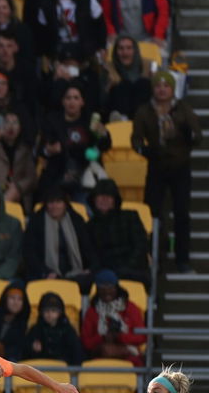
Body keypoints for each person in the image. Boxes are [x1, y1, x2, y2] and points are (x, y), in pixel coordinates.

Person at [133, 70, 201, 273]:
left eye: (166, 86)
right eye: (158, 86)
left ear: (172, 89)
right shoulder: (144, 111)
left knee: (181, 213)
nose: (162, 90)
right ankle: (155, 257)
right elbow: (135, 139)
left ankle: (182, 259)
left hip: (180, 167)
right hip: (156, 166)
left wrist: (184, 133)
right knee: (153, 214)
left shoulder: (183, 109)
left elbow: (198, 136)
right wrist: (147, 151)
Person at [39, 84, 110, 202]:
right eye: (68, 98)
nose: (72, 101)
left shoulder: (90, 121)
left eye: (76, 98)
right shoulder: (52, 120)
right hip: (59, 171)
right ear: (63, 102)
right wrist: (49, 150)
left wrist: (103, 134)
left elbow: (105, 145)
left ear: (82, 102)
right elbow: (42, 149)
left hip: (84, 171)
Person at [23, 188, 97, 290]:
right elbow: (30, 253)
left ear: (65, 204)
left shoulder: (76, 220)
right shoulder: (36, 222)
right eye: (51, 202)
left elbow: (88, 248)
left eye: (58, 202)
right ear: (46, 205)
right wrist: (45, 272)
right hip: (46, 274)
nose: (55, 206)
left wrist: (90, 269)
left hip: (76, 273)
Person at [38, 0, 105, 61]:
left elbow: (100, 25)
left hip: (84, 53)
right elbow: (43, 33)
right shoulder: (46, 4)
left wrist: (102, 48)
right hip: (57, 55)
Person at [87, 179, 149, 284]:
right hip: (103, 272)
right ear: (93, 200)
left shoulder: (130, 217)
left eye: (108, 196)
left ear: (115, 200)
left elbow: (141, 245)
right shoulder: (90, 226)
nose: (104, 199)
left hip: (132, 270)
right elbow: (91, 254)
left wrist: (128, 267)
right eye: (100, 196)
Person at [81, 269, 146, 365]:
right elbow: (86, 341)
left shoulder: (130, 308)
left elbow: (142, 337)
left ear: (117, 288)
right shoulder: (92, 311)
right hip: (100, 353)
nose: (107, 292)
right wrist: (103, 337)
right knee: (105, 350)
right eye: (102, 288)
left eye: (110, 287)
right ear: (97, 290)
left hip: (128, 352)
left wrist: (120, 337)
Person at [25, 291, 83, 366]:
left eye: (53, 311)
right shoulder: (35, 330)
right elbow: (25, 354)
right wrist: (32, 349)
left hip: (63, 371)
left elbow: (77, 354)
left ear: (60, 313)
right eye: (46, 311)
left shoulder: (68, 330)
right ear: (41, 312)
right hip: (40, 369)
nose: (50, 314)